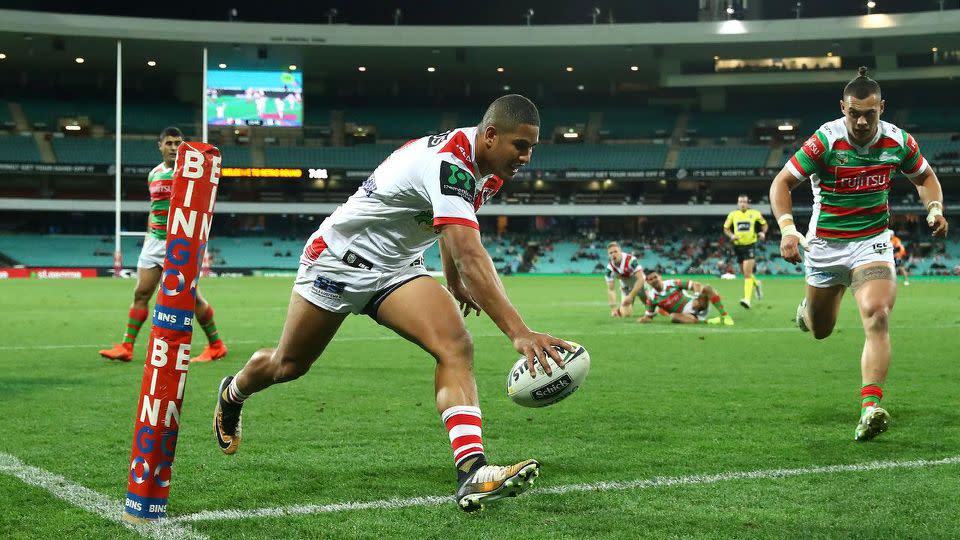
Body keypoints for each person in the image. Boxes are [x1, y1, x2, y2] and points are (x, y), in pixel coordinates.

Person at [211, 95, 572, 512]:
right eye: (521, 146)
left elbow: (448, 230)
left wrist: (452, 282)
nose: (527, 156)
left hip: (396, 268)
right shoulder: (450, 163)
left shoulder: (488, 171)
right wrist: (519, 332)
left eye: (532, 147)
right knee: (288, 365)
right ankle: (233, 393)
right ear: (490, 135)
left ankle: (472, 470)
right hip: (338, 262)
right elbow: (471, 252)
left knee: (456, 345)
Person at [770, 67, 948, 442]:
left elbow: (925, 178)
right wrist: (788, 228)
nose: (863, 121)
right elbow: (782, 183)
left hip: (872, 243)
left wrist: (934, 209)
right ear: (843, 108)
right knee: (821, 330)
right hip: (825, 247)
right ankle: (808, 310)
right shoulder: (826, 141)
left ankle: (870, 407)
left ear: (882, 107)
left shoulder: (898, 141)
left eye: (870, 113)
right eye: (854, 113)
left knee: (878, 315)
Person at [99, 127, 228, 363]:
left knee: (192, 298)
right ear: (160, 145)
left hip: (179, 243)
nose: (173, 147)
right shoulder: (154, 174)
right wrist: (149, 235)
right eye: (168, 143)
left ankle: (216, 345)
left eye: (178, 142)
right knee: (141, 292)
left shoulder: (190, 173)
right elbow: (154, 208)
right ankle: (127, 347)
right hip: (154, 241)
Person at [637, 271, 734, 325]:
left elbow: (695, 285)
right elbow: (649, 316)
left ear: (660, 277)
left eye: (655, 277)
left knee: (708, 288)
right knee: (673, 317)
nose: (654, 280)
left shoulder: (673, 283)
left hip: (697, 305)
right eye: (650, 279)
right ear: (648, 283)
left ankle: (725, 316)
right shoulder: (651, 297)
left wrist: (696, 296)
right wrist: (643, 319)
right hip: (685, 316)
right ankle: (708, 322)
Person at [723, 194, 768, 309]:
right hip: (738, 246)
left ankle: (747, 299)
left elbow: (765, 224)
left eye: (744, 201)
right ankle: (757, 284)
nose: (742, 203)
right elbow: (726, 228)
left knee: (747, 275)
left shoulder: (755, 213)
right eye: (740, 202)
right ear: (738, 203)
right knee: (745, 274)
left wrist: (763, 233)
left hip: (750, 246)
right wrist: (731, 235)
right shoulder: (733, 214)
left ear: (748, 203)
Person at [605, 241, 646, 317]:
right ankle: (620, 309)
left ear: (620, 251)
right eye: (611, 253)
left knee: (651, 308)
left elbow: (641, 279)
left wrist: (631, 296)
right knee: (626, 314)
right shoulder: (609, 269)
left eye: (615, 251)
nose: (613, 254)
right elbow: (611, 289)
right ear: (608, 255)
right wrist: (613, 309)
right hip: (626, 288)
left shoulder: (631, 260)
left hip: (640, 285)